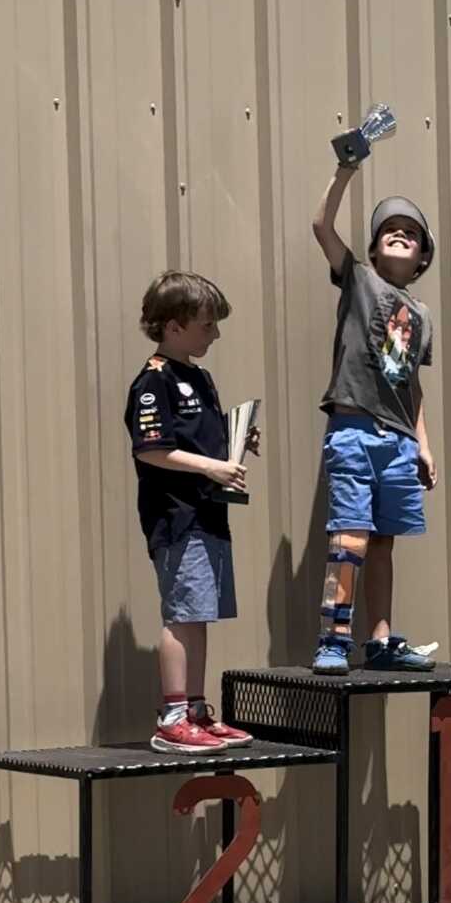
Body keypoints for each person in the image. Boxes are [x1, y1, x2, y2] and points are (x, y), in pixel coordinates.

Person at [311, 159, 438, 674]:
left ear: (423, 256)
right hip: (355, 430)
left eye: (410, 233)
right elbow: (322, 226)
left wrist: (423, 444)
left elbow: (411, 384)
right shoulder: (359, 282)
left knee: (383, 541)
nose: (400, 236)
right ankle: (334, 639)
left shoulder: (422, 314)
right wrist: (343, 170)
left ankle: (380, 640)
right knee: (350, 536)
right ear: (372, 249)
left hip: (400, 440)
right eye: (389, 230)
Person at [124, 270, 257, 753]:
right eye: (206, 325)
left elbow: (197, 438)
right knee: (182, 613)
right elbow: (152, 449)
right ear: (174, 326)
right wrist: (213, 467)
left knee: (199, 613)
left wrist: (235, 442)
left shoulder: (200, 378)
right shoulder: (151, 382)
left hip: (209, 514)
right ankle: (174, 715)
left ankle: (198, 710)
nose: (215, 334)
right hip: (177, 517)